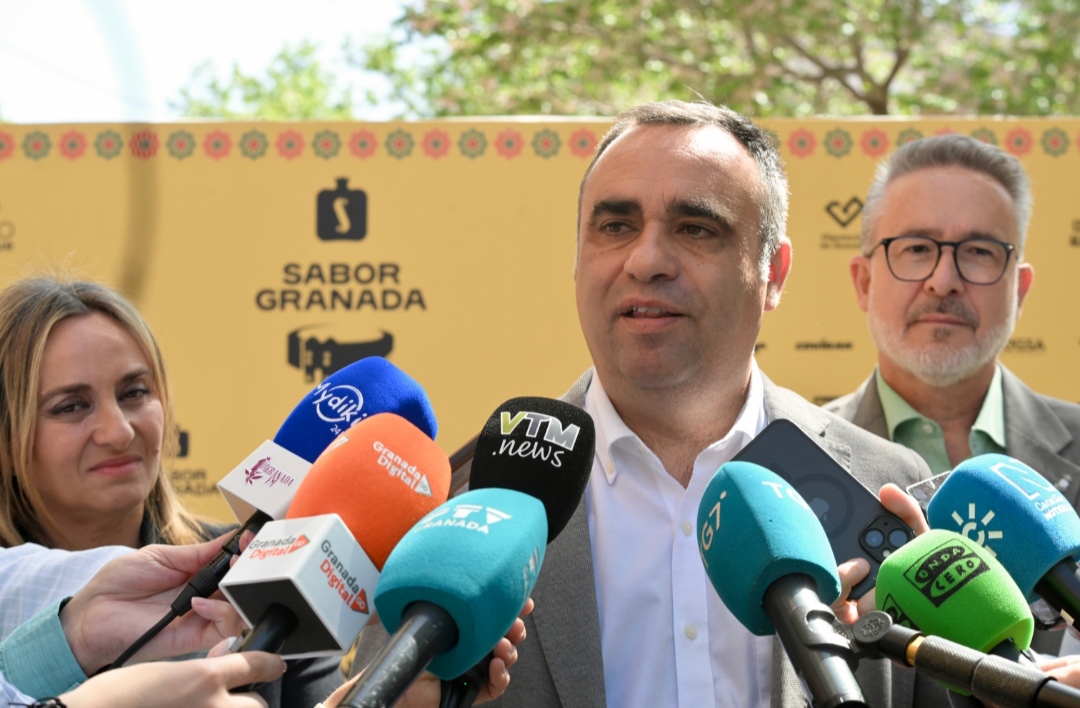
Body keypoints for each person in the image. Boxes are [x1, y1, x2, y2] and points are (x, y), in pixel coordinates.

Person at [350, 100, 979, 707]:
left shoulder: (886, 485)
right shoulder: (459, 507)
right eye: (615, 227)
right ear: (578, 259)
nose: (647, 260)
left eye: (696, 228)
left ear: (775, 273)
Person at [0, 276, 342, 706]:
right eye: (71, 406)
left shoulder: (265, 566)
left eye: (134, 393)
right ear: (8, 438)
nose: (119, 432)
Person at [823, 135, 1080, 654]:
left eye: (979, 252)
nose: (943, 281)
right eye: (917, 249)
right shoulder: (802, 467)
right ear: (864, 282)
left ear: (1019, 289)